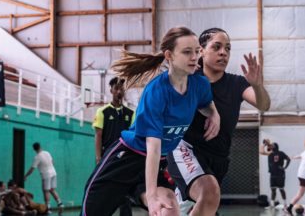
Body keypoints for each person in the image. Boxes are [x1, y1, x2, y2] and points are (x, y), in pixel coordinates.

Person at [80, 26, 220, 216]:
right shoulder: (156, 91)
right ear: (169, 55)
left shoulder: (199, 84)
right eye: (187, 52)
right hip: (126, 159)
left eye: (197, 51)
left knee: (169, 207)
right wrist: (152, 195)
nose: (195, 57)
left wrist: (213, 113)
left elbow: (206, 103)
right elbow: (153, 146)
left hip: (157, 162)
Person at [166, 27, 271, 216]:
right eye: (217, 47)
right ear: (201, 51)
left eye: (228, 48)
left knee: (192, 207)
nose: (223, 52)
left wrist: (257, 85)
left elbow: (263, 104)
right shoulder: (190, 78)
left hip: (218, 158)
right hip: (186, 149)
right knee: (209, 192)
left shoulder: (237, 83)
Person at [92, 77, 135, 216]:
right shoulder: (102, 112)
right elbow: (98, 135)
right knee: (105, 189)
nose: (119, 91)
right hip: (107, 157)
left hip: (125, 157)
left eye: (121, 89)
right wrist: (98, 157)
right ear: (111, 90)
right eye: (116, 88)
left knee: (125, 191)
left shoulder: (130, 113)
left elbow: (133, 135)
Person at [24, 142, 63, 212]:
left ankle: (48, 207)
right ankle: (60, 203)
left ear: (34, 149)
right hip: (54, 173)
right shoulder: (47, 153)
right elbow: (52, 162)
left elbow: (32, 168)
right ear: (40, 146)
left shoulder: (37, 157)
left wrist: (26, 175)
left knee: (46, 191)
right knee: (52, 189)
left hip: (46, 175)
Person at [259, 139, 290, 209]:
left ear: (275, 146)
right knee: (273, 189)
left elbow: (288, 159)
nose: (270, 145)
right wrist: (264, 144)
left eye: (272, 145)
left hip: (280, 174)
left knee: (281, 189)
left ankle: (285, 205)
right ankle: (272, 205)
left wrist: (285, 167)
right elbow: (261, 151)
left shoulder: (281, 153)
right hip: (272, 174)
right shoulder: (270, 153)